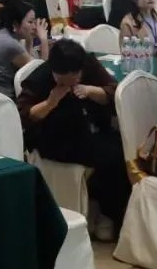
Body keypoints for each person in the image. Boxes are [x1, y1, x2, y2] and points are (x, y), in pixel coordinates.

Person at [17, 40, 126, 239]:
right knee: (110, 156)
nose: (71, 83)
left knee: (122, 148)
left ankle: (108, 213)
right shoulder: (39, 78)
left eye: (75, 77)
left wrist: (91, 91)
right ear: (54, 71)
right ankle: (107, 214)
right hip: (56, 138)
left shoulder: (88, 64)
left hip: (90, 129)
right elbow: (26, 115)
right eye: (63, 80)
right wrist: (50, 103)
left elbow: (114, 92)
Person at [0, 0, 49, 99]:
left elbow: (29, 66)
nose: (34, 26)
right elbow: (41, 74)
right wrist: (44, 40)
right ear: (15, 24)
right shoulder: (10, 44)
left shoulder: (4, 33)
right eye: (30, 22)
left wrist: (29, 39)